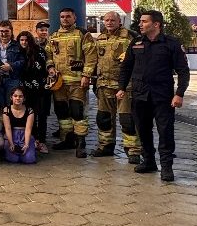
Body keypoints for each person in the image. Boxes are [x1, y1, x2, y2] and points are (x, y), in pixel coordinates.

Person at [117, 10, 190, 182]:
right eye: (140, 21)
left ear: (156, 24)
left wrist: (179, 94)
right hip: (140, 95)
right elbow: (126, 67)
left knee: (165, 132)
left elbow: (183, 71)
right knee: (143, 130)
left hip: (162, 97)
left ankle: (166, 167)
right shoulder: (136, 43)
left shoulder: (171, 44)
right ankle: (149, 161)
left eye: (144, 22)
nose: (140, 24)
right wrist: (121, 87)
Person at [46, 8, 97, 157]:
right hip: (59, 82)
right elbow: (48, 54)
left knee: (77, 111)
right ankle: (67, 140)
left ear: (75, 18)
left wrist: (86, 75)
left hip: (77, 82)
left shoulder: (82, 34)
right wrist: (50, 67)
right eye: (62, 17)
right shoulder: (53, 36)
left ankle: (81, 143)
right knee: (62, 112)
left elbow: (91, 56)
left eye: (68, 16)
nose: (65, 19)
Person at [93, 11, 140, 161]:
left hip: (124, 86)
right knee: (104, 118)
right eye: (106, 20)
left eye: (112, 20)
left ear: (119, 21)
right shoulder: (100, 38)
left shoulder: (131, 37)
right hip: (104, 85)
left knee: (127, 119)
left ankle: (133, 150)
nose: (109, 22)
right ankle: (106, 146)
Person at [17, 30, 49, 154]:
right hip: (25, 90)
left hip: (40, 89)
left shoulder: (39, 51)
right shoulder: (18, 53)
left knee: (41, 115)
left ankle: (41, 141)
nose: (24, 42)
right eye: (21, 40)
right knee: (28, 115)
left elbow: (44, 68)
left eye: (26, 40)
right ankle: (31, 140)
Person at [0, 20, 24, 107]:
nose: (4, 34)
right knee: (0, 104)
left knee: (11, 104)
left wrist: (11, 66)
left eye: (6, 31)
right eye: (2, 31)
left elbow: (22, 61)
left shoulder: (17, 45)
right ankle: (3, 119)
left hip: (12, 78)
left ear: (11, 31)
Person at [3, 87, 36, 164]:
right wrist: (11, 143)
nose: (18, 98)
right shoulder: (6, 110)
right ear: (11, 97)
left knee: (29, 159)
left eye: (20, 96)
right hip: (12, 135)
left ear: (24, 98)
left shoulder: (29, 110)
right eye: (15, 96)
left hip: (25, 135)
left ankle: (32, 147)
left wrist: (26, 144)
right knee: (13, 159)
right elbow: (7, 128)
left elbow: (28, 129)